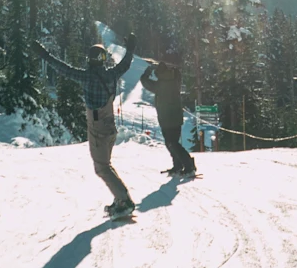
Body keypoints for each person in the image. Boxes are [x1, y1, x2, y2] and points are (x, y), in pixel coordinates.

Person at [37, 34, 136, 218]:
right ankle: (120, 197)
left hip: (98, 128)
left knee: (101, 168)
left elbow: (63, 69)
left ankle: (124, 201)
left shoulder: (87, 77)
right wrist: (130, 49)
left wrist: (45, 55)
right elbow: (125, 64)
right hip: (110, 126)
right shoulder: (111, 74)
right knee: (106, 164)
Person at [140, 47, 196, 177]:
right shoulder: (175, 80)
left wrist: (149, 70)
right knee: (173, 142)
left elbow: (144, 80)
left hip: (166, 119)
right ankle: (178, 165)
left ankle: (188, 165)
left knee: (171, 143)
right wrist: (168, 67)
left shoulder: (159, 85)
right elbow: (176, 71)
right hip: (176, 117)